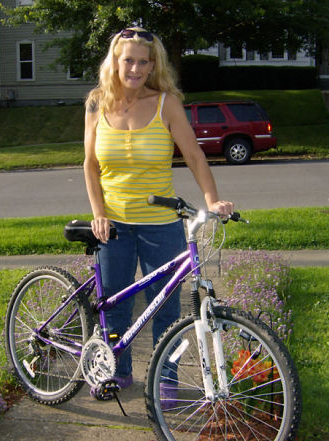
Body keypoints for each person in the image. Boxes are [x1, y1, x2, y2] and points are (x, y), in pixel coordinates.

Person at [83, 27, 234, 391]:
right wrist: (98, 212)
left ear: (153, 65)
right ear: (115, 62)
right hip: (115, 225)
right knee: (115, 304)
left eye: (143, 62)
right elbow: (89, 164)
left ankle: (165, 380)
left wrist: (212, 199)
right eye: (128, 60)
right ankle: (116, 371)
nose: (135, 68)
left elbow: (195, 155)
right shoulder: (96, 103)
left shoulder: (167, 103)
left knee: (165, 309)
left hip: (161, 225)